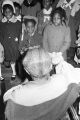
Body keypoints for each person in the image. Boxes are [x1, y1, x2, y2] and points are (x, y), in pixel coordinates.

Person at [3, 47, 80, 120]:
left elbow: (7, 107)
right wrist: (60, 62)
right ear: (50, 66)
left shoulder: (17, 96)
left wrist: (23, 85)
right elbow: (74, 74)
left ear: (26, 71)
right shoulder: (65, 82)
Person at [0, 0, 21, 81]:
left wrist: (18, 41)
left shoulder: (17, 22)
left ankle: (14, 73)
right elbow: (1, 34)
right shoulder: (1, 23)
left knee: (13, 59)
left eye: (10, 11)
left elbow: (20, 33)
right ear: (3, 12)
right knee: (5, 59)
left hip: (14, 45)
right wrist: (3, 42)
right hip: (5, 45)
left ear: (13, 11)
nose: (8, 13)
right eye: (6, 12)